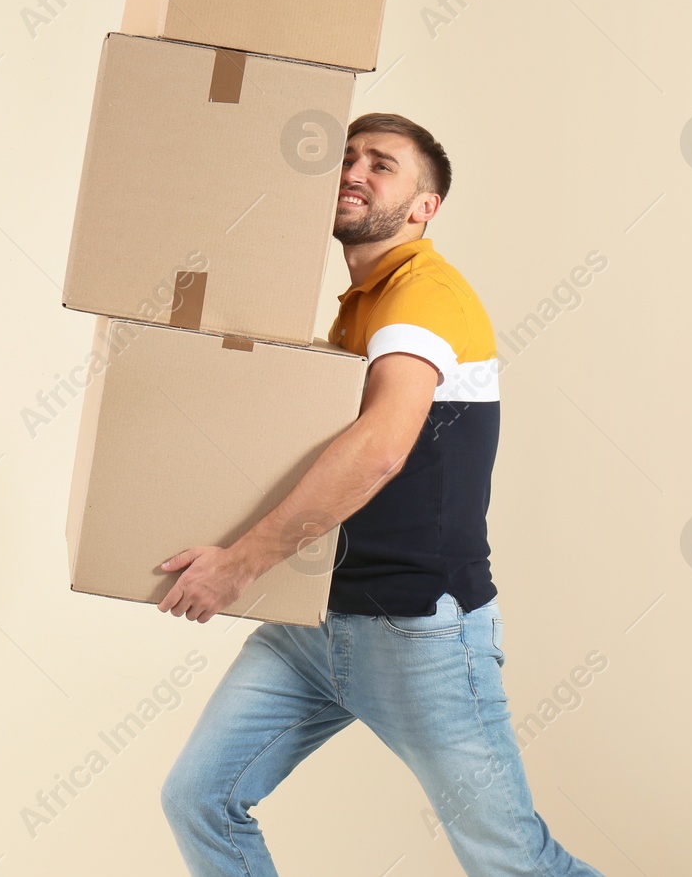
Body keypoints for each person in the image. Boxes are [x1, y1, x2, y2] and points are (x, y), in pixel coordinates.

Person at [153, 113, 605, 876]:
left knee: (513, 863)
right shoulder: (356, 303)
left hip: (418, 631)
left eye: (383, 165)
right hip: (315, 625)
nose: (354, 171)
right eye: (346, 158)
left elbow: (381, 448)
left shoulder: (424, 295)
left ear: (425, 207)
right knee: (201, 798)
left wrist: (241, 562)